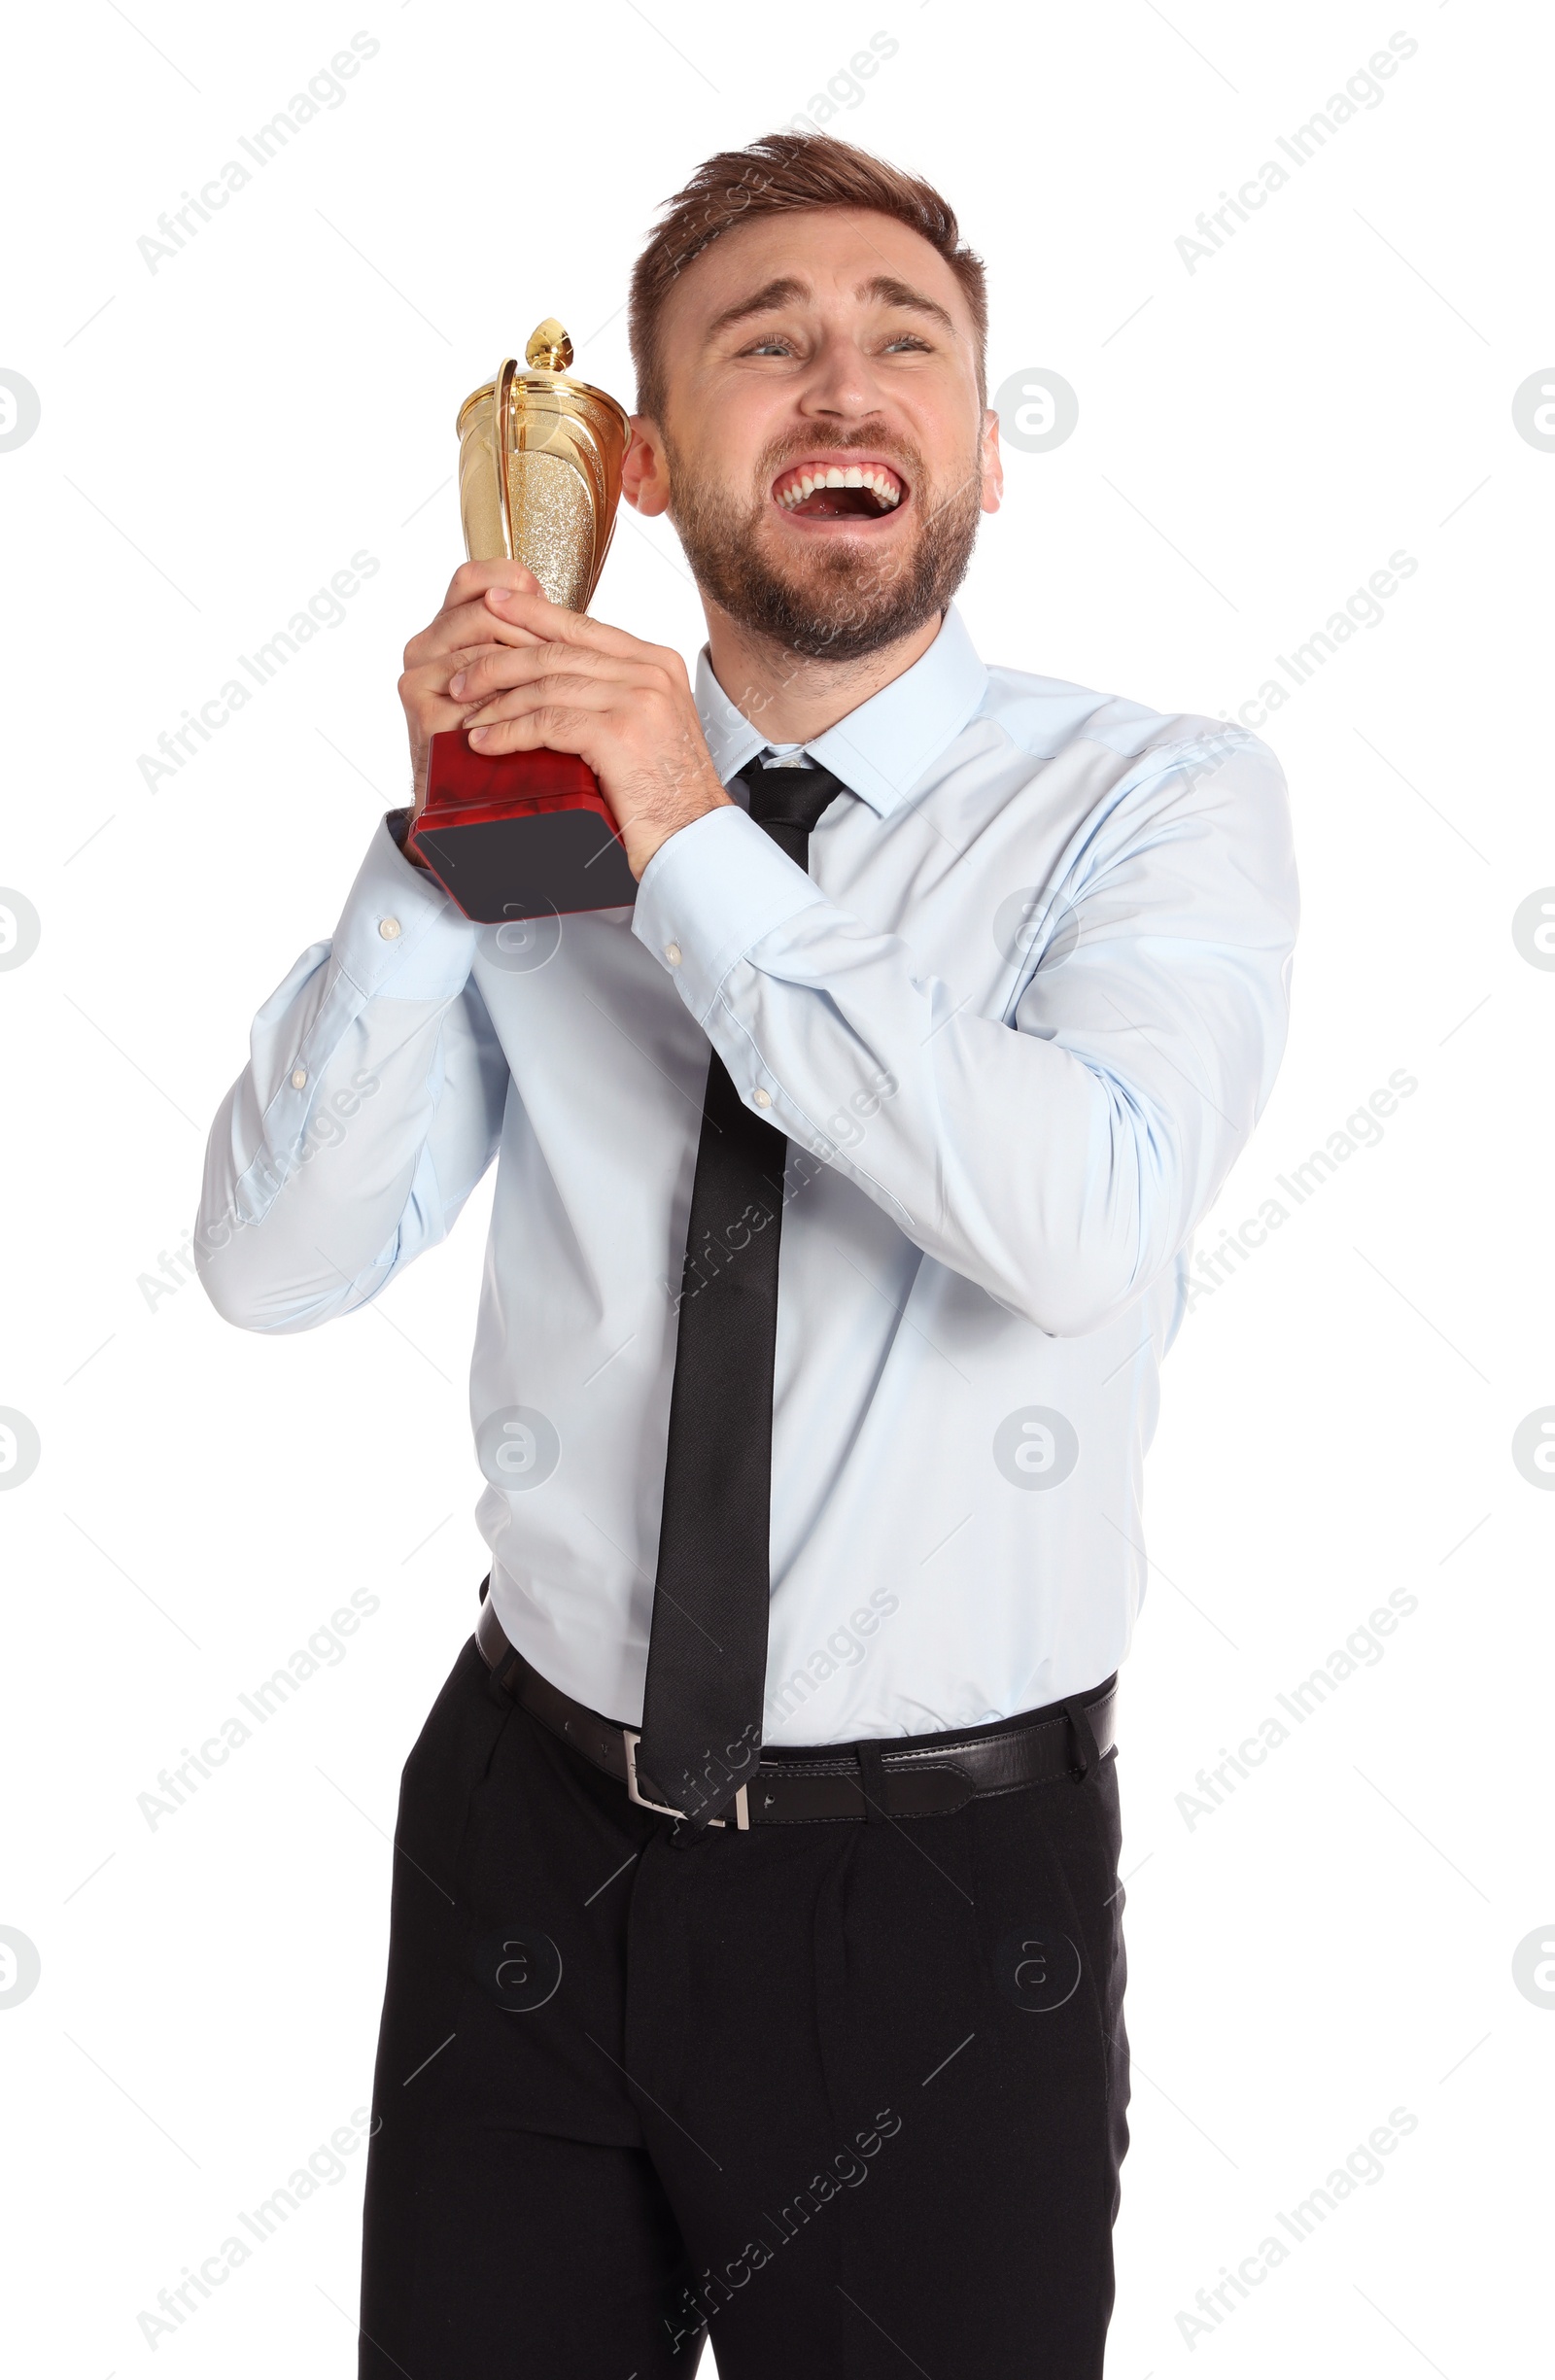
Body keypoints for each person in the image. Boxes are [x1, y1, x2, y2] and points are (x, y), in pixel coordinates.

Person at [197, 130, 1297, 2380]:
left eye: (905, 345)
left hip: (930, 1904)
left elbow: (1073, 1217)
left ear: (981, 451)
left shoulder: (1155, 802)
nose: (841, 386)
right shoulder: (539, 815)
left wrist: (685, 839)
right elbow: (270, 1265)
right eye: (761, 345)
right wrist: (443, 837)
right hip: (525, 1830)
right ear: (636, 460)